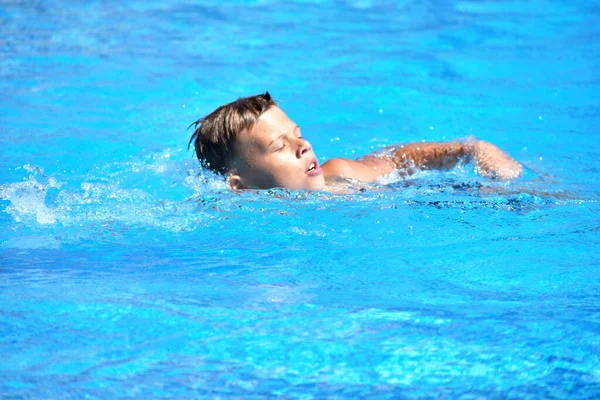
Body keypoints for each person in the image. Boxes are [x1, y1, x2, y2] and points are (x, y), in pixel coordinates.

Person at [188, 92, 523, 191]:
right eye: (280, 147)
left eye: (299, 136)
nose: (303, 147)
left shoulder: (340, 175)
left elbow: (397, 159)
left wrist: (470, 149)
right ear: (240, 185)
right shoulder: (237, 218)